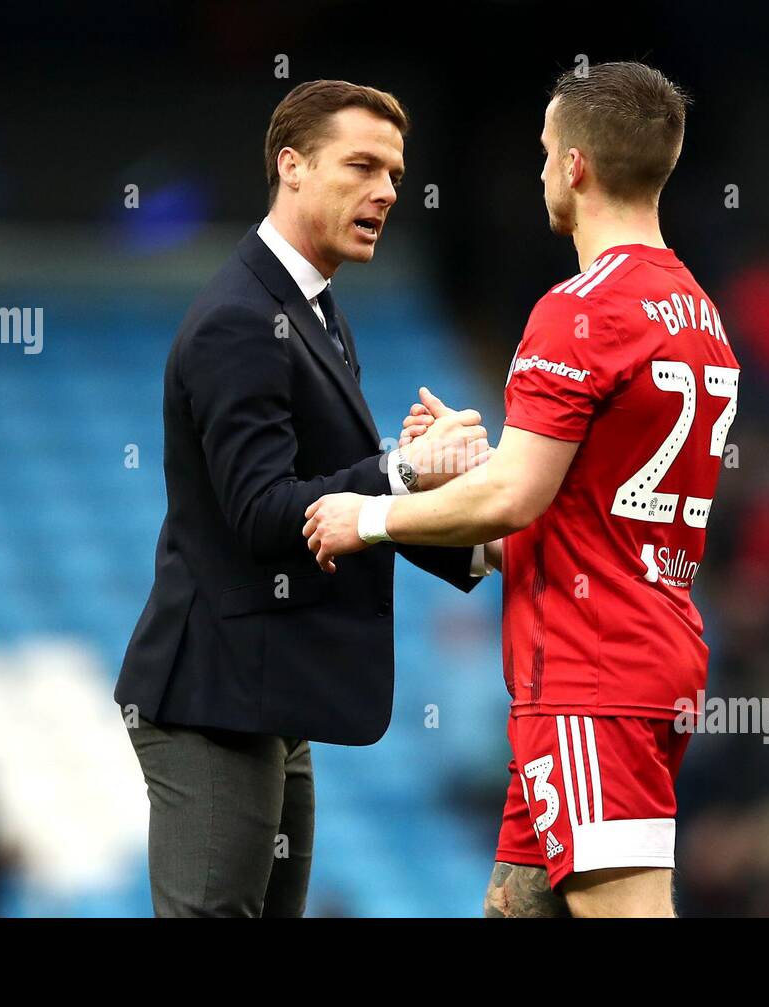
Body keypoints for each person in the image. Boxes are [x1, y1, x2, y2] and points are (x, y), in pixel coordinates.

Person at [302, 62, 739, 918]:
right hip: (636, 654)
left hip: (591, 676)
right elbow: (560, 523)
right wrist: (468, 478)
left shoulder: (579, 311)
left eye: (544, 152)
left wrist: (373, 515)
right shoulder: (700, 315)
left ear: (574, 165)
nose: (539, 170)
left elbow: (513, 501)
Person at [116, 79, 490, 917]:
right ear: (292, 166)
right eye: (361, 166)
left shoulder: (312, 308)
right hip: (214, 698)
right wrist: (403, 470)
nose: (386, 190)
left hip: (268, 699)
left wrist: (473, 533)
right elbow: (263, 513)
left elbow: (340, 505)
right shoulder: (242, 318)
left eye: (394, 173)